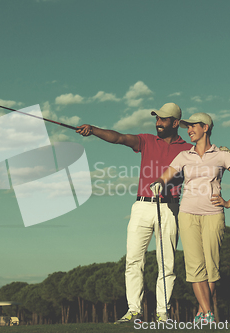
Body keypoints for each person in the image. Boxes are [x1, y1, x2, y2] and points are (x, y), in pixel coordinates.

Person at [76, 103, 192, 323]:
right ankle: (134, 311)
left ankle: (163, 313)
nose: (158, 123)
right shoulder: (147, 141)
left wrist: (221, 149)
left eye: (163, 119)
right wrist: (93, 130)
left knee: (166, 263)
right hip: (142, 206)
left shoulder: (187, 149)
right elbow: (119, 138)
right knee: (133, 261)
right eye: (157, 118)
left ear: (175, 123)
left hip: (170, 207)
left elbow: (206, 157)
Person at [150, 112, 230, 324]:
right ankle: (208, 312)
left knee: (211, 267)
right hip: (187, 214)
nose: (188, 130)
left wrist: (228, 202)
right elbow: (166, 175)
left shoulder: (222, 155)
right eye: (187, 127)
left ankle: (202, 312)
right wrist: (158, 183)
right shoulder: (183, 156)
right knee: (194, 266)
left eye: (193, 126)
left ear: (205, 128)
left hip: (214, 215)